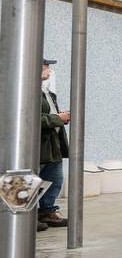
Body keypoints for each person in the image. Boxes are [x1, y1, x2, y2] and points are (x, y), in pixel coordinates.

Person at [38, 59, 71, 231]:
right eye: (45, 68)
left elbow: (48, 114)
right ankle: (25, 215)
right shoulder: (25, 92)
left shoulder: (48, 93)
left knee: (54, 180)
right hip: (37, 146)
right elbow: (29, 117)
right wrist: (58, 118)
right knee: (32, 181)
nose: (49, 71)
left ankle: (46, 211)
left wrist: (60, 116)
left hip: (52, 144)